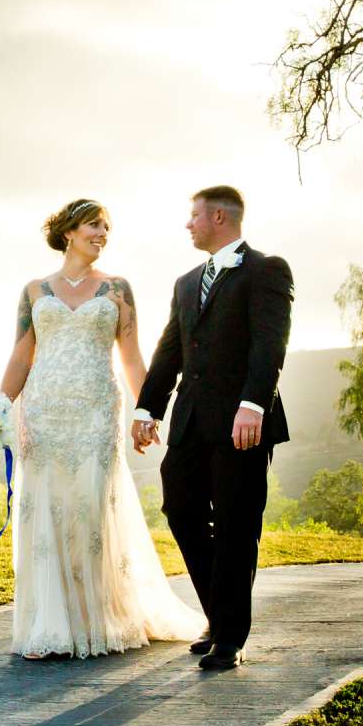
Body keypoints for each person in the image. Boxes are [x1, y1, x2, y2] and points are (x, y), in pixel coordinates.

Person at [0, 198, 201, 661]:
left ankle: (95, 620)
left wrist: (144, 412)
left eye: (106, 228)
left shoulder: (118, 290)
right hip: (44, 412)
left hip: (95, 411)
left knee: (90, 510)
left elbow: (130, 357)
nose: (102, 234)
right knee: (46, 509)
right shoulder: (34, 290)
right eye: (94, 225)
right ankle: (48, 625)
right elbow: (20, 355)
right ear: (69, 231)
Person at [131, 186, 293, 671]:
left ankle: (229, 636)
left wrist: (253, 405)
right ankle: (218, 614)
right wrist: (147, 410)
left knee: (237, 524)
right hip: (190, 424)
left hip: (243, 422)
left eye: (194, 216)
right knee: (179, 508)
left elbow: (270, 343)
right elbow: (169, 351)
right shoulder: (185, 283)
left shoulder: (266, 270)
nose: (188, 225)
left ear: (218, 216)